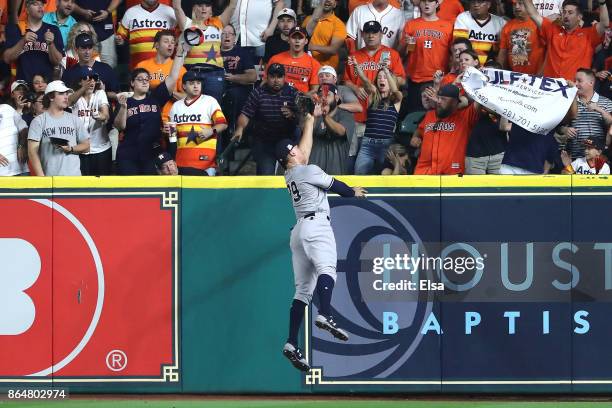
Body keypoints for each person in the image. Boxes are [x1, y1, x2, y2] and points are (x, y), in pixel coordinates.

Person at [276, 103, 367, 373]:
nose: (301, 150)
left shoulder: (289, 174)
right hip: (316, 225)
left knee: (302, 291)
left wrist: (308, 120)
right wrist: (353, 192)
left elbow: (303, 150)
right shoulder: (308, 169)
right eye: (294, 149)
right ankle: (325, 314)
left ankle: (292, 342)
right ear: (290, 154)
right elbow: (336, 186)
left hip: (299, 233)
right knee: (328, 269)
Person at [113, 43, 188, 175]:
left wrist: (179, 54)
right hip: (128, 153)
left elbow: (172, 78)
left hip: (151, 153)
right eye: (140, 79)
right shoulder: (125, 101)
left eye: (147, 79)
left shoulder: (155, 98)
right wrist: (123, 108)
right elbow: (120, 126)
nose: (144, 82)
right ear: (132, 83)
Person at [343, 20, 405, 167]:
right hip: (359, 114)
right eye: (368, 33)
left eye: (374, 32)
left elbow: (401, 80)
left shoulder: (391, 54)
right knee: (355, 159)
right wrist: (356, 88)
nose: (371, 36)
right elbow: (346, 80)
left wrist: (386, 76)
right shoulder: (354, 56)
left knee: (382, 168)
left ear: (381, 34)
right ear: (363, 35)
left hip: (383, 115)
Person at [232, 63, 299, 175]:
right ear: (266, 78)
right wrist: (240, 129)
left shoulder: (293, 92)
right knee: (265, 175)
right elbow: (245, 114)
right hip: (264, 141)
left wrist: (293, 115)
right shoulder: (258, 93)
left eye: (279, 77)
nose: (276, 80)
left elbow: (304, 116)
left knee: (296, 172)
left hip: (286, 139)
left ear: (284, 78)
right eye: (273, 77)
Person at [522, 0, 608, 80]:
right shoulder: (552, 30)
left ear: (579, 17)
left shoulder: (588, 35)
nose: (566, 15)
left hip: (574, 90)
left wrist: (602, 3)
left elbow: (605, 24)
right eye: (564, 12)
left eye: (570, 13)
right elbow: (533, 14)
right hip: (549, 88)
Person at [172, 0, 236, 103]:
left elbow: (232, 6)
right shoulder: (187, 23)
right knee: (192, 107)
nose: (204, 8)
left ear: (211, 9)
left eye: (207, 5)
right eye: (200, 5)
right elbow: (176, 7)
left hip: (215, 74)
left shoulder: (218, 22)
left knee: (213, 107)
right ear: (194, 8)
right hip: (192, 73)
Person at [169, 69, 228, 176]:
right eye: (192, 83)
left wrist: (211, 130)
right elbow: (172, 136)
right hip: (181, 162)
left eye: (198, 83)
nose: (196, 86)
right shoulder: (176, 106)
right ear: (184, 86)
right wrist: (167, 131)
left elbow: (223, 124)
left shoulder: (210, 101)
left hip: (206, 163)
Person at [412, 84, 480, 174]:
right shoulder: (430, 115)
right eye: (438, 98)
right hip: (424, 172)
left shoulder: (465, 117)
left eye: (443, 99)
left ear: (455, 102)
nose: (439, 101)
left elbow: (480, 101)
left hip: (451, 173)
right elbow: (419, 130)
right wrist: (415, 137)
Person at [350, 57, 403, 174]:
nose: (381, 79)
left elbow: (395, 92)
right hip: (367, 144)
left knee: (384, 178)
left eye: (385, 78)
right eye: (379, 77)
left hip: (386, 145)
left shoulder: (396, 100)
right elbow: (365, 81)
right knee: (359, 175)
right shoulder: (372, 97)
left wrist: (386, 70)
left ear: (391, 81)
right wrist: (356, 66)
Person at [27, 80, 90, 176]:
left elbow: (87, 146)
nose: (66, 97)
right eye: (61, 93)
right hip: (50, 178)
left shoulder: (74, 119)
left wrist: (71, 149)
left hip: (74, 177)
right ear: (51, 97)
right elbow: (32, 152)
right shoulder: (38, 121)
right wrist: (42, 178)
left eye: (66, 93)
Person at [399, 0, 453, 112]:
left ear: (437, 4)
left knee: (435, 117)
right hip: (415, 79)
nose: (426, 4)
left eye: (430, 1)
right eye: (423, 1)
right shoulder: (411, 24)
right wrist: (405, 43)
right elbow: (402, 54)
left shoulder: (448, 26)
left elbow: (452, 55)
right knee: (413, 117)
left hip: (438, 79)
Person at [4, 0, 64, 82]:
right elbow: (7, 58)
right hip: (23, 85)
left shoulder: (54, 30)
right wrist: (23, 41)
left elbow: (57, 61)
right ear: (27, 9)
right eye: (35, 4)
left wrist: (51, 44)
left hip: (46, 85)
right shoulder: (15, 28)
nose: (40, 6)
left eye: (42, 4)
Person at [68, 65, 111, 175]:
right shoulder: (73, 94)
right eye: (87, 79)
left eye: (94, 79)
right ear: (79, 82)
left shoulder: (99, 93)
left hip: (101, 148)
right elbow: (69, 102)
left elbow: (105, 114)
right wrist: (83, 89)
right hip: (80, 149)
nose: (91, 82)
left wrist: (97, 115)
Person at [560, 68, 612, 159]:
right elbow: (558, 127)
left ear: (591, 83)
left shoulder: (607, 102)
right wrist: (565, 130)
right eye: (574, 81)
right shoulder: (568, 102)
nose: (575, 84)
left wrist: (599, 109)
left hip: (598, 159)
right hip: (573, 158)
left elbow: (610, 124)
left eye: (579, 81)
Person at [308, 83, 355, 174]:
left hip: (336, 175)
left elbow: (341, 131)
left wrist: (325, 116)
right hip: (314, 175)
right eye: (321, 95)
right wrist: (315, 116)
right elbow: (307, 132)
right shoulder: (313, 115)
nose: (324, 98)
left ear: (337, 98)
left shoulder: (346, 115)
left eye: (328, 94)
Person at [116, 0, 177, 69]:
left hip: (164, 68)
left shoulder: (169, 11)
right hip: (138, 69)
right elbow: (120, 36)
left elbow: (178, 35)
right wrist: (119, 40)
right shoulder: (130, 12)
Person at [62, 32, 119, 101]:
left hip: (101, 109)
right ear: (76, 50)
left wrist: (102, 92)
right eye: (83, 48)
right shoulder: (69, 73)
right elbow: (64, 99)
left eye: (90, 47)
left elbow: (117, 95)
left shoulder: (105, 69)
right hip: (76, 110)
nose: (87, 52)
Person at [221, 23, 257, 132]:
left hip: (237, 89)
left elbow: (253, 77)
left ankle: (232, 130)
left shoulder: (242, 53)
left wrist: (232, 78)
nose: (227, 36)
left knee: (233, 95)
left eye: (230, 34)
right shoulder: (213, 52)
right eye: (224, 34)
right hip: (217, 87)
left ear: (234, 37)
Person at [267, 26, 320, 94]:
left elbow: (315, 90)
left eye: (300, 38)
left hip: (300, 102)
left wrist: (300, 98)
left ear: (306, 41)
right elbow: (266, 81)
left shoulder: (314, 63)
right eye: (294, 38)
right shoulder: (275, 59)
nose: (297, 41)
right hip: (277, 99)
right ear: (288, 40)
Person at [497, 0, 545, 75]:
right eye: (514, 4)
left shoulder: (540, 24)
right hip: (514, 77)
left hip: (537, 77)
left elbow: (549, 52)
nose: (517, 7)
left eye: (520, 3)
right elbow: (503, 53)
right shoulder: (507, 26)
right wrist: (498, 72)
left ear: (530, 5)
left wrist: (541, 74)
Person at [453, 0, 506, 66]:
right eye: (473, 2)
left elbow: (503, 51)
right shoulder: (463, 18)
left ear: (488, 4)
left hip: (491, 68)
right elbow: (460, 47)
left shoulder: (501, 23)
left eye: (480, 2)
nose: (476, 5)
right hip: (469, 67)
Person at [72, 0, 121, 67]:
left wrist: (107, 11)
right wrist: (83, 12)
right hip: (83, 31)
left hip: (106, 31)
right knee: (85, 68)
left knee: (109, 67)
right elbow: (69, 2)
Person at [303, 0, 346, 70]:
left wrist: (311, 47)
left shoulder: (339, 24)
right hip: (307, 66)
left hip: (325, 69)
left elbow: (333, 49)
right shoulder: (308, 19)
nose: (327, 1)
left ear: (335, 4)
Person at [0, 102, 29, 175]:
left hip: (20, 168)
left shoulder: (7, 108)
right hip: (2, 173)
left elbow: (24, 128)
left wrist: (21, 145)